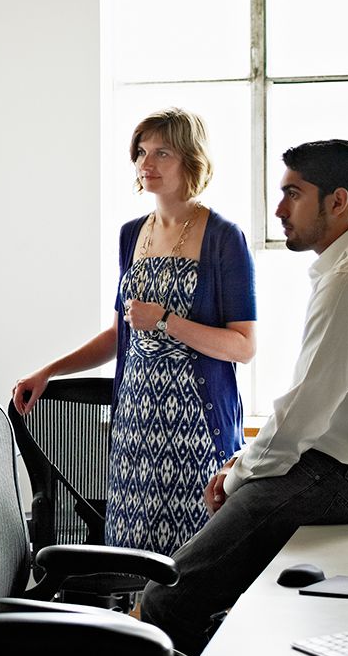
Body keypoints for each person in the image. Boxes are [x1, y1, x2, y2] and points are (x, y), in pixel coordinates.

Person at [141, 139, 348, 656]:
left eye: (293, 194)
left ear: (337, 201)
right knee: (212, 593)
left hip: (336, 477)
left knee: (167, 596)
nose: (280, 209)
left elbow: (307, 407)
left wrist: (238, 474)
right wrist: (246, 463)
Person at [13, 108, 256, 556]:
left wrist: (167, 321)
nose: (147, 163)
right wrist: (51, 370)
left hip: (197, 430)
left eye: (162, 152)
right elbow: (118, 335)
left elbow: (242, 346)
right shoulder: (131, 235)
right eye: (141, 152)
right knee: (133, 557)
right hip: (135, 428)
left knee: (195, 564)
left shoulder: (224, 237)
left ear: (190, 158)